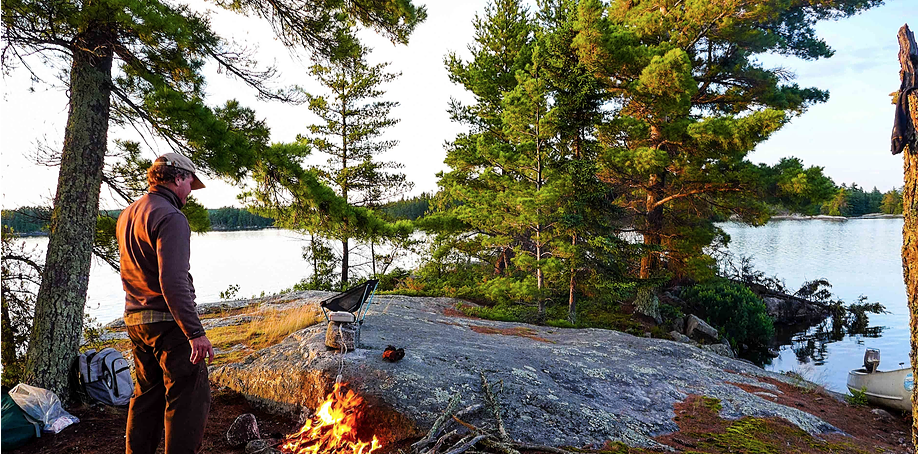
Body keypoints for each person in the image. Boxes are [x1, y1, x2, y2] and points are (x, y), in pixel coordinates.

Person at [117, 152, 214, 454]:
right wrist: (195, 333)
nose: (190, 192)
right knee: (187, 400)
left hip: (136, 321)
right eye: (189, 183)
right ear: (177, 179)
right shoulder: (171, 217)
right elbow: (172, 282)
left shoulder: (128, 214)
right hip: (168, 325)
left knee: (146, 398)